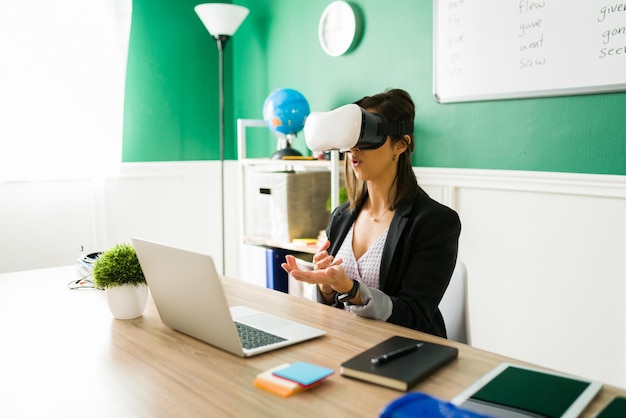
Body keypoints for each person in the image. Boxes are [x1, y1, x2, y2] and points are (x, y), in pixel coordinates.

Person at [281, 88, 461, 337]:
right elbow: (331, 308)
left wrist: (352, 289)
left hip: (402, 354)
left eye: (366, 136)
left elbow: (414, 316)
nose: (354, 149)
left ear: (401, 144)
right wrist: (326, 287)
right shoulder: (341, 217)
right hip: (345, 344)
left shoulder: (436, 222)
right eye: (351, 139)